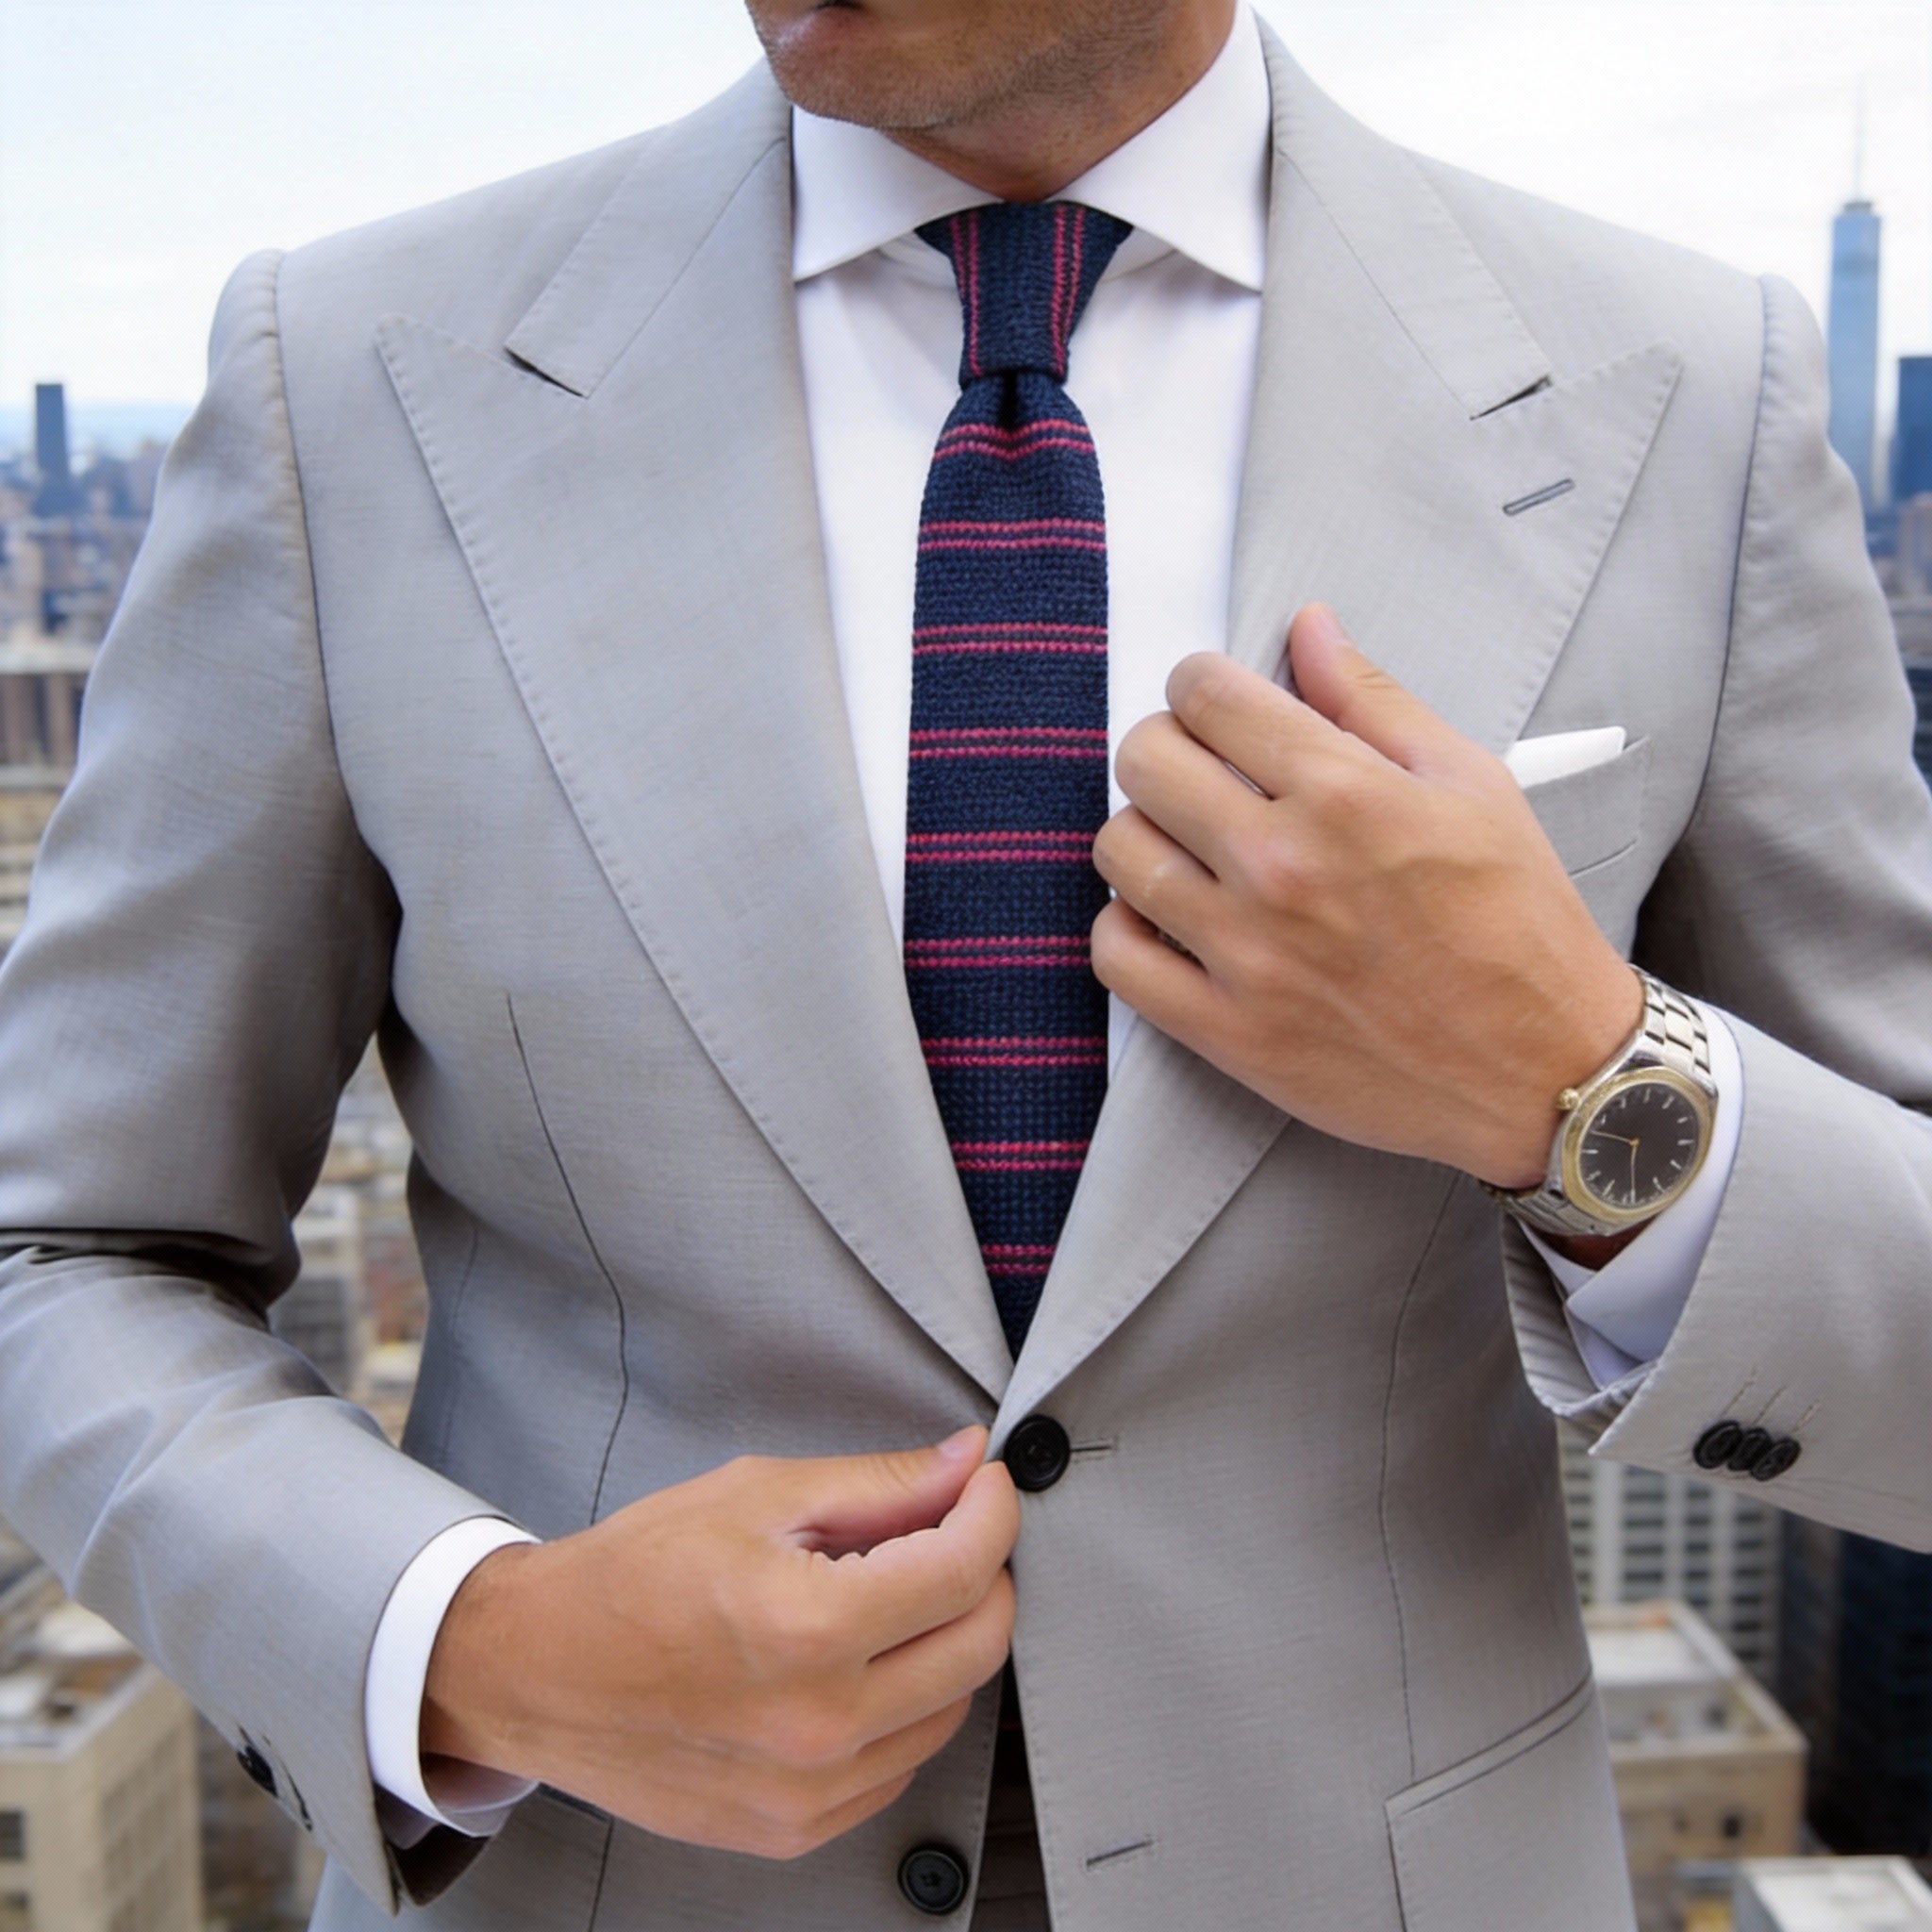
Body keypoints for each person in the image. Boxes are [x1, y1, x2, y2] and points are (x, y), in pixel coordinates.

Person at [2, 0, 1929, 1926]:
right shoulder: (347, 380)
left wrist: (1586, 1086)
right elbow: (63, 1247)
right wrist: (479, 1645)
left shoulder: (1689, 394)